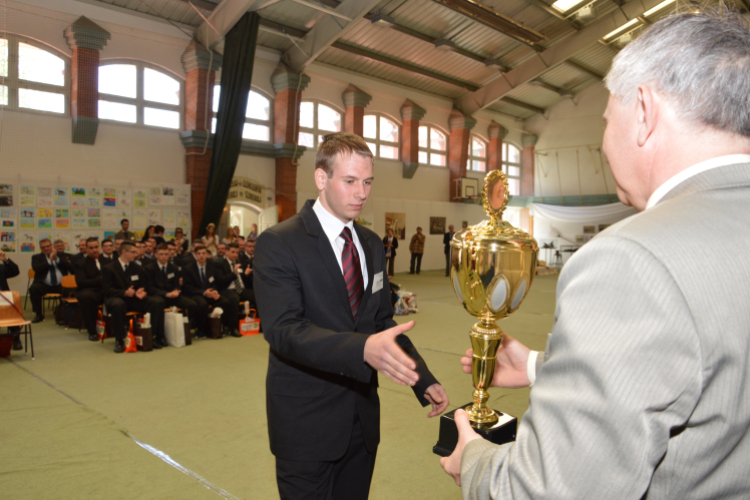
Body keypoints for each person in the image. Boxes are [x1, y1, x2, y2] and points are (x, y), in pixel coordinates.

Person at [440, 10, 750, 500]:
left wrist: (474, 459)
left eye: (608, 120)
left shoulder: (633, 259)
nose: (605, 143)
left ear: (644, 113)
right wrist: (542, 366)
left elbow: (550, 490)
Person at [254, 132, 448, 500]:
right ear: (321, 179)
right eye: (350, 181)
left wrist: (422, 378)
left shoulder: (372, 244)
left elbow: (380, 324)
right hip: (305, 423)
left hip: (360, 420)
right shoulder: (280, 242)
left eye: (368, 182)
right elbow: (284, 330)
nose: (362, 192)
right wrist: (361, 350)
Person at [102, 241, 165, 353]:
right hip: (116, 297)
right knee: (118, 305)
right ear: (124, 252)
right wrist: (124, 292)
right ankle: (119, 340)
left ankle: (151, 336)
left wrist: (141, 291)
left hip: (133, 298)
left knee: (157, 302)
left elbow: (142, 285)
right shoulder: (109, 268)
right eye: (133, 252)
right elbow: (107, 290)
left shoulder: (137, 268)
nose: (136, 254)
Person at [145, 243, 197, 342]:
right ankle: (158, 335)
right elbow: (150, 288)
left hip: (173, 295)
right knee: (158, 304)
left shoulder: (174, 267)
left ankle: (187, 330)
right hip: (158, 296)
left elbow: (177, 284)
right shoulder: (149, 268)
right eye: (161, 254)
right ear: (156, 255)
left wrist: (176, 291)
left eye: (165, 254)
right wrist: (167, 294)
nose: (163, 256)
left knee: (192, 304)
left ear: (169, 255)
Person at [181, 244, 233, 339]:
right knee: (203, 304)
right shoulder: (188, 269)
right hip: (196, 294)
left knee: (225, 302)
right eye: (199, 253)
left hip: (210, 293)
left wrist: (214, 292)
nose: (201, 255)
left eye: (203, 253)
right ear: (195, 255)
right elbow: (187, 287)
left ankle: (220, 327)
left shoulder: (212, 267)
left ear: (207, 255)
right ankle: (201, 330)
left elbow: (216, 283)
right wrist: (204, 292)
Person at [214, 242, 254, 333]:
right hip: (227, 289)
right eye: (233, 252)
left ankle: (256, 324)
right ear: (227, 252)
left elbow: (242, 279)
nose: (235, 254)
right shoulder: (220, 264)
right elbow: (220, 281)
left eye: (237, 252)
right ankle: (233, 328)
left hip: (240, 289)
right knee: (234, 299)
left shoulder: (239, 262)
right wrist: (233, 274)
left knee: (256, 295)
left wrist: (246, 274)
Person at [29, 238, 71, 323]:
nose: (46, 248)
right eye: (43, 247)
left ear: (51, 246)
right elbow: (37, 268)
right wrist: (49, 260)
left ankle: (63, 313)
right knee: (33, 289)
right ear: (41, 248)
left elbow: (69, 266)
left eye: (48, 246)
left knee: (72, 289)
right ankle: (39, 315)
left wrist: (56, 259)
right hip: (44, 284)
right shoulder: (36, 257)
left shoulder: (61, 255)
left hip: (61, 284)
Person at [74, 237, 104, 342]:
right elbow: (81, 282)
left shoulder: (107, 260)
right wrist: (100, 280)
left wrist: (100, 280)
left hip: (106, 290)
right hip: (90, 291)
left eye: (96, 247)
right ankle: (92, 331)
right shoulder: (81, 264)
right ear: (86, 249)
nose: (94, 250)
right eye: (91, 248)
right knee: (87, 298)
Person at [0, 249, 22, 350]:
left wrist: (5, 259)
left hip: (4, 300)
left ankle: (15, 338)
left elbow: (15, 271)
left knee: (12, 310)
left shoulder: (1, 268)